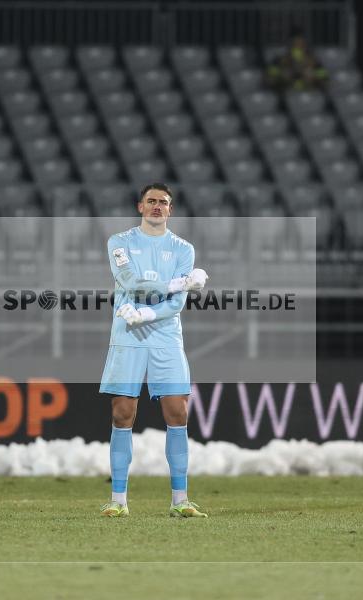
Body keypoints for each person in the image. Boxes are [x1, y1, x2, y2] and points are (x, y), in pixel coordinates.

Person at [99, 183, 209, 519]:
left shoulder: (183, 249)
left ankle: (180, 500)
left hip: (165, 337)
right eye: (151, 201)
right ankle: (118, 500)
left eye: (163, 202)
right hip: (127, 335)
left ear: (170, 209)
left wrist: (147, 313)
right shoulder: (119, 242)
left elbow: (176, 304)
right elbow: (131, 283)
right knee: (122, 413)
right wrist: (178, 283)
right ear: (140, 206)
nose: (157, 206)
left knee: (178, 412)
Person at [266, 27, 328, 93]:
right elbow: (270, 79)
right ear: (290, 44)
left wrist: (313, 76)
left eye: (301, 43)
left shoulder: (313, 59)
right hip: (287, 93)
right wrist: (282, 76)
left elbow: (324, 78)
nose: (298, 46)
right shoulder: (281, 59)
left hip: (309, 93)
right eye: (295, 43)